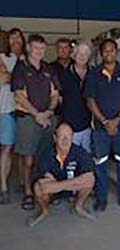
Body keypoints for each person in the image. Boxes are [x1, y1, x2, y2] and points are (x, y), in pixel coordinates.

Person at [84, 38, 120, 211]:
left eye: (112, 50)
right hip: (100, 128)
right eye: (105, 51)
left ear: (116, 52)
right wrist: (105, 122)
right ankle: (101, 199)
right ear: (101, 53)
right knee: (100, 164)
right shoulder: (93, 73)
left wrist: (117, 120)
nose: (109, 53)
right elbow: (90, 100)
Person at [11, 34, 59, 210]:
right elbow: (19, 96)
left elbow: (55, 94)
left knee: (45, 157)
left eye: (42, 48)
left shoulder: (48, 68)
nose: (39, 51)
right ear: (29, 48)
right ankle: (28, 193)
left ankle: (44, 189)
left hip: (47, 118)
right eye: (36, 48)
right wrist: (37, 115)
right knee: (27, 159)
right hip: (28, 119)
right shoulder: (21, 68)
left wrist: (49, 111)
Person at [29, 123, 95, 227]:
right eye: (61, 136)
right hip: (65, 189)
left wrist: (57, 185)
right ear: (55, 138)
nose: (65, 140)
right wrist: (75, 183)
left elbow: (90, 179)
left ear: (73, 137)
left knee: (89, 182)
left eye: (68, 136)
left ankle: (78, 206)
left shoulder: (81, 152)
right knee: (38, 188)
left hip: (63, 188)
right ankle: (44, 210)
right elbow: (44, 186)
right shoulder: (46, 153)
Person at [0, 28, 26, 204]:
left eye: (19, 38)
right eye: (12, 38)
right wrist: (17, 75)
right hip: (6, 108)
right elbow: (2, 79)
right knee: (7, 148)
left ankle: (24, 183)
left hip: (24, 110)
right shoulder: (3, 57)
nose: (16, 41)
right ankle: (3, 187)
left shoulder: (25, 59)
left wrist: (11, 76)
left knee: (23, 149)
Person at [59, 41, 92, 153]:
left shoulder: (94, 74)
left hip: (89, 126)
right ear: (74, 55)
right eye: (79, 53)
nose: (82, 56)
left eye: (85, 54)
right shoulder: (64, 74)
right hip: (69, 126)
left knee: (86, 158)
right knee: (70, 158)